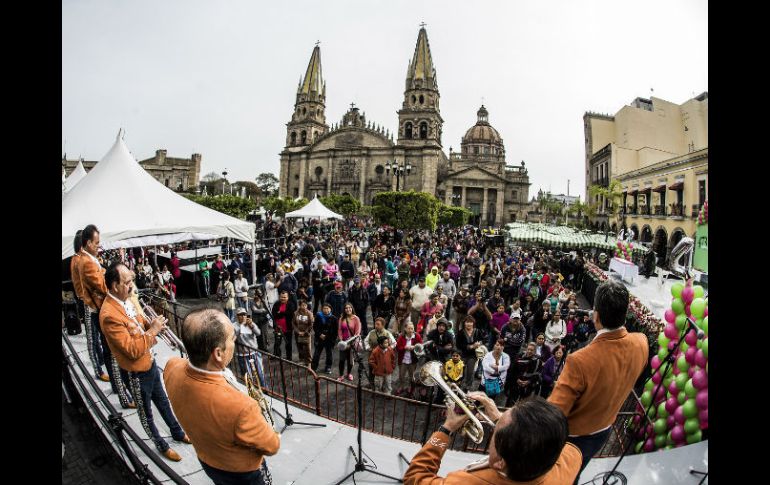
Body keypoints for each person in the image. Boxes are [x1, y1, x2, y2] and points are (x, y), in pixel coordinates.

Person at [163, 307, 280, 483]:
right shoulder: (242, 407)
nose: (234, 342)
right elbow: (272, 446)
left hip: (207, 460)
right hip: (242, 472)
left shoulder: (172, 366)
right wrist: (274, 435)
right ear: (218, 353)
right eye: (232, 339)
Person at [548, 280, 648, 483]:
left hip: (573, 439)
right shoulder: (641, 342)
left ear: (596, 315)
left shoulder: (580, 360)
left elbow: (553, 414)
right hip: (604, 430)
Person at [100, 262, 189, 462]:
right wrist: (154, 331)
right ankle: (161, 445)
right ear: (115, 286)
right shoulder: (109, 315)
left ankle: (177, 432)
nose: (132, 285)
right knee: (146, 413)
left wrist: (152, 323)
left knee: (163, 401)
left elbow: (139, 324)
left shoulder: (125, 300)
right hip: (135, 372)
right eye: (128, 282)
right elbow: (131, 350)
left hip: (149, 362)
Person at [77, 225, 116, 385]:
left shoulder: (89, 259)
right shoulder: (87, 262)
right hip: (97, 308)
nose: (99, 245)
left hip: (97, 307)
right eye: (96, 242)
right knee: (108, 350)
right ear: (87, 243)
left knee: (106, 347)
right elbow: (102, 287)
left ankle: (115, 383)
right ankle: (117, 385)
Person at [505, 342, 542, 407]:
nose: (529, 351)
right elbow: (512, 370)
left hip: (527, 388)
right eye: (528, 349)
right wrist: (517, 379)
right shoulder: (519, 356)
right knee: (510, 404)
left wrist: (528, 382)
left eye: (532, 350)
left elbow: (537, 375)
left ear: (535, 351)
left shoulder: (538, 361)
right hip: (515, 385)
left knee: (523, 406)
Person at [455, 316, 486, 392]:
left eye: (470, 322)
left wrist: (479, 343)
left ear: (473, 323)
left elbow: (484, 339)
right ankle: (457, 387)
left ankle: (467, 388)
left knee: (470, 372)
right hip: (463, 354)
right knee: (460, 371)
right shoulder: (461, 332)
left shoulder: (477, 331)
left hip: (473, 355)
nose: (469, 324)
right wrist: (471, 346)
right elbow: (458, 345)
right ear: (464, 323)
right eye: (467, 322)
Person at [395, 322, 422, 396]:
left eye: (412, 328)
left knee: (411, 375)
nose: (410, 330)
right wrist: (404, 348)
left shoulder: (417, 336)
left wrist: (414, 347)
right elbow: (397, 348)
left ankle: (411, 388)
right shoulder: (401, 337)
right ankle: (402, 386)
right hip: (403, 360)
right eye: (409, 328)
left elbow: (421, 346)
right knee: (401, 375)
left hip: (412, 360)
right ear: (405, 329)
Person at [337, 303, 361, 381]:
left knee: (350, 360)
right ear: (344, 310)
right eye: (346, 308)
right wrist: (341, 341)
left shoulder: (356, 318)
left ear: (352, 308)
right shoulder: (341, 318)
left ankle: (349, 373)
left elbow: (357, 333)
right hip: (343, 343)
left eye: (349, 307)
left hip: (352, 343)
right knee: (341, 360)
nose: (348, 309)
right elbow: (340, 330)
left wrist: (350, 343)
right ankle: (341, 375)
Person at [233, 308, 260, 377]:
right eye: (240, 315)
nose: (243, 316)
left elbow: (258, 333)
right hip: (242, 355)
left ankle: (263, 387)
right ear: (237, 316)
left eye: (244, 314)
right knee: (247, 376)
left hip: (254, 352)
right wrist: (241, 327)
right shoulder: (234, 326)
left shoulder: (250, 323)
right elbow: (232, 339)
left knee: (260, 373)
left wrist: (251, 326)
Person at [311, 303, 337, 374]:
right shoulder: (318, 316)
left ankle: (328, 367)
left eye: (327, 308)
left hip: (329, 340)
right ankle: (313, 367)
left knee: (329, 354)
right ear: (322, 309)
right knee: (316, 354)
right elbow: (315, 327)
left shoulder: (334, 318)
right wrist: (319, 334)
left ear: (330, 309)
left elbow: (335, 331)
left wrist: (332, 340)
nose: (326, 310)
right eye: (324, 308)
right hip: (319, 339)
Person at [271, 291, 297, 359]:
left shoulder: (291, 304)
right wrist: (284, 313)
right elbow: (274, 314)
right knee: (277, 343)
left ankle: (289, 357)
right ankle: (276, 355)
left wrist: (281, 312)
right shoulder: (276, 304)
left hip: (288, 327)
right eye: (282, 297)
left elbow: (291, 313)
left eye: (284, 297)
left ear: (287, 297)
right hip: (278, 327)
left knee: (288, 343)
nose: (283, 298)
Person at [292, 299, 314, 367]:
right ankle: (301, 359)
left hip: (306, 334)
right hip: (298, 334)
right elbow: (293, 323)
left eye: (305, 305)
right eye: (302, 305)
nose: (304, 306)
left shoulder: (309, 313)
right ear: (299, 306)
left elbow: (311, 324)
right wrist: (298, 331)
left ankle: (309, 361)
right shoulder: (296, 313)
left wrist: (305, 332)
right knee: (299, 347)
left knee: (308, 348)